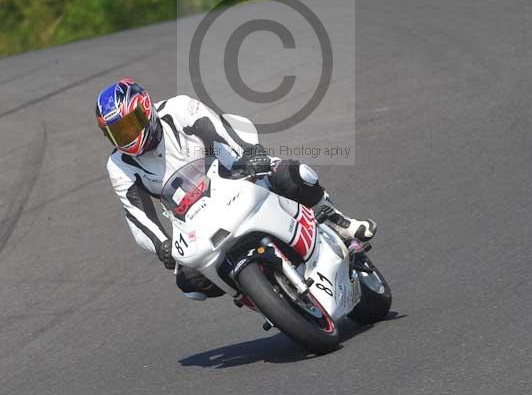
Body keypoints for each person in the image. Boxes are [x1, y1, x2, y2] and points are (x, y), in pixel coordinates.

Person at [96, 78, 376, 300]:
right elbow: (136, 214)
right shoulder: (119, 165)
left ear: (145, 109)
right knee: (189, 283)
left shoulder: (178, 109)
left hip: (234, 176)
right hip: (192, 219)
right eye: (118, 133)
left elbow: (221, 131)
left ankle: (337, 221)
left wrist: (250, 154)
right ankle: (259, 296)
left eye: (131, 125)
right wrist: (161, 245)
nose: (128, 136)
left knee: (291, 174)